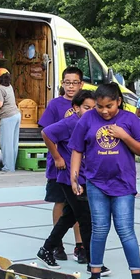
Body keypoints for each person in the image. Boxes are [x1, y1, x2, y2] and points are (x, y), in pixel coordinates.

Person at [69, 83, 140, 279]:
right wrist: (74, 178)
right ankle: (95, 274)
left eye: (109, 106)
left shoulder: (130, 119)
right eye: (99, 106)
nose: (104, 111)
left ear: (119, 102)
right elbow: (77, 149)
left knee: (125, 230)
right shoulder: (88, 119)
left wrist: (124, 136)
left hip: (123, 185)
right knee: (99, 229)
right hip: (96, 182)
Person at [37, 90, 102, 272]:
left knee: (69, 216)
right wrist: (57, 157)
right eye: (87, 107)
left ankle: (46, 249)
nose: (91, 111)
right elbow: (46, 133)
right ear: (76, 108)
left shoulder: (92, 124)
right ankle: (93, 262)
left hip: (85, 176)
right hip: (69, 178)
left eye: (94, 107)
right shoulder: (70, 123)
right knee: (86, 218)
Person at [40, 67, 85, 263]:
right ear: (62, 83)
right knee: (60, 202)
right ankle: (57, 244)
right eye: (67, 82)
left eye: (75, 82)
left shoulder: (87, 104)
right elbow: (46, 132)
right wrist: (57, 157)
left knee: (79, 205)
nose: (71, 86)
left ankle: (80, 245)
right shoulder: (55, 105)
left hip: (80, 167)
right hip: (59, 165)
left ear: (81, 84)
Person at [0, 68, 21, 173]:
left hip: (7, 117)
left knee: (6, 144)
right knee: (13, 143)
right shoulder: (9, 86)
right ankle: (12, 166)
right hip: (16, 115)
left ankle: (8, 167)